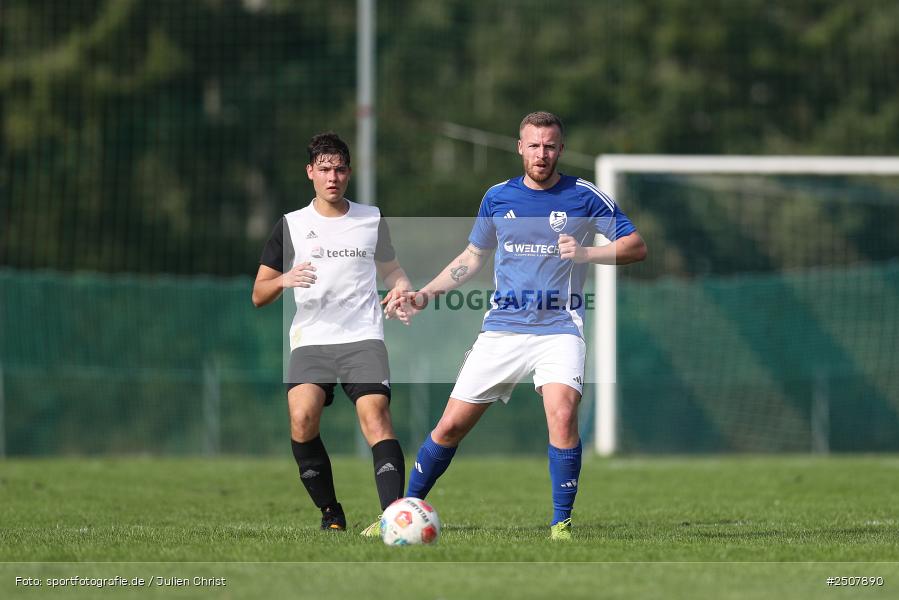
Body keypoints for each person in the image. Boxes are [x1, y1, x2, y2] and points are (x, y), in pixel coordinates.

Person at [389, 111, 647, 540]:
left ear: (560, 149)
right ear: (519, 148)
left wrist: (586, 255)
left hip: (559, 329)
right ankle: (403, 509)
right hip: (503, 330)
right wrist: (423, 295)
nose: (542, 154)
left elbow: (636, 246)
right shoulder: (497, 197)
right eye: (534, 145)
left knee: (563, 415)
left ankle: (561, 524)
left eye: (550, 145)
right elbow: (472, 258)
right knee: (449, 427)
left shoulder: (584, 195)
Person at [253, 132, 412, 534]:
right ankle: (331, 513)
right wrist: (284, 279)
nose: (332, 177)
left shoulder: (371, 218)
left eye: (340, 168)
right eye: (324, 169)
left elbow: (392, 270)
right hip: (312, 340)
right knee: (302, 418)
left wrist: (400, 287)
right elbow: (259, 293)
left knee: (375, 415)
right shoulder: (291, 225)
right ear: (310, 173)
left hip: (362, 336)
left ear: (349, 172)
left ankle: (394, 518)